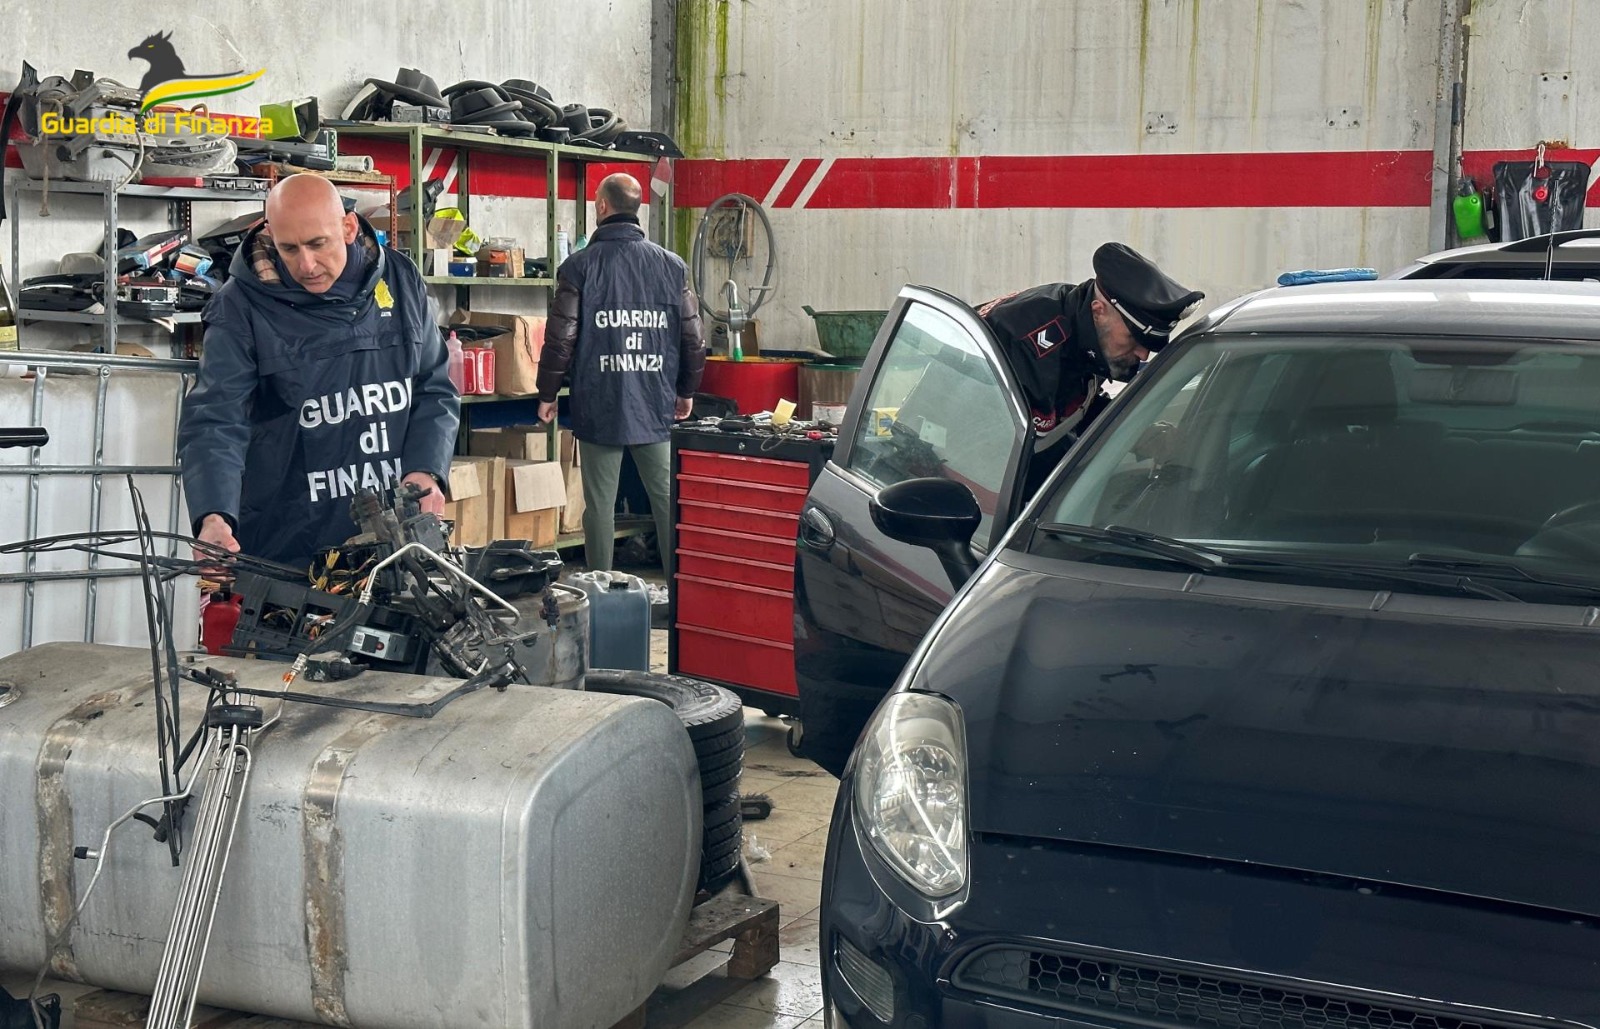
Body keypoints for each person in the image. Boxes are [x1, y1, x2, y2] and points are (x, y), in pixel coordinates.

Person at [178, 173, 459, 570]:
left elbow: (434, 387)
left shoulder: (401, 279)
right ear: (269, 235)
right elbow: (216, 419)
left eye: (316, 244)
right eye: (288, 248)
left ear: (347, 227)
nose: (305, 264)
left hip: (394, 541)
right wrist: (213, 516)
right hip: (289, 548)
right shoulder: (240, 307)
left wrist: (427, 471)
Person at [536, 172, 705, 575]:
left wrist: (547, 393)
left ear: (602, 207)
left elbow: (562, 339)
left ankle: (600, 592)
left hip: (600, 400)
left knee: (600, 505)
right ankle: (679, 594)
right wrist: (686, 390)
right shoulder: (671, 266)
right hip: (654, 399)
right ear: (637, 209)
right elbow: (693, 338)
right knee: (666, 499)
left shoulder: (578, 266)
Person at [977, 242, 1204, 473]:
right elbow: (1037, 452)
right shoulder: (1032, 342)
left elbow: (1076, 407)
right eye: (1133, 338)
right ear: (1098, 311)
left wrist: (1141, 434)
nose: (1143, 353)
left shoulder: (1077, 314)